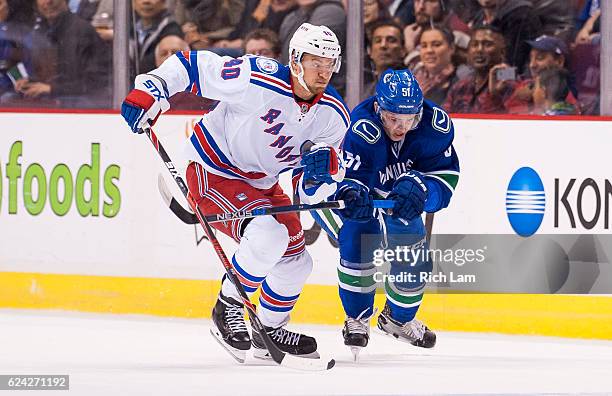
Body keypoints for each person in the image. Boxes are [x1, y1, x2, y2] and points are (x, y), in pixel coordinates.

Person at [120, 23, 349, 362]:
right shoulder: (257, 78)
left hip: (262, 183)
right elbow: (189, 65)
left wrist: (327, 168)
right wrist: (150, 90)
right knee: (268, 237)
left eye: (331, 63)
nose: (324, 71)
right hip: (212, 169)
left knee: (297, 263)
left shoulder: (332, 114)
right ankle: (225, 307)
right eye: (317, 61)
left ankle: (266, 330)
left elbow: (330, 170)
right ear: (296, 60)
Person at [311, 68, 459, 360]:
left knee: (413, 251)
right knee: (359, 236)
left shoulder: (435, 126)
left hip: (393, 195)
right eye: (393, 119)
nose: (401, 127)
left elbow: (446, 177)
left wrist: (424, 192)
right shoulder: (361, 128)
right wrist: (353, 194)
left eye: (409, 119)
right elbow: (350, 181)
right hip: (338, 189)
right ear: (379, 108)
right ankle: (357, 317)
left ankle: (398, 318)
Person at [444, 25, 514, 114]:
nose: (479, 50)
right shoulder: (461, 86)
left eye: (488, 44)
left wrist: (494, 96)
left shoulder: (511, 81)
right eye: (474, 45)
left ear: (502, 52)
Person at [412, 25, 461, 104]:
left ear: (451, 48)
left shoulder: (461, 81)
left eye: (436, 45)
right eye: (424, 46)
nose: (429, 50)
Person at [364, 19, 406, 98]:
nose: (383, 45)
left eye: (391, 40)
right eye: (378, 40)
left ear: (403, 50)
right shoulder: (362, 92)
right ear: (370, 51)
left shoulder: (414, 89)